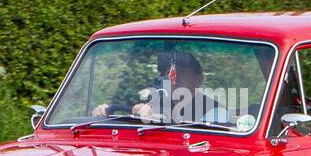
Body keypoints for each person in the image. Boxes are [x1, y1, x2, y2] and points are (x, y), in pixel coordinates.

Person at [91, 50, 227, 124]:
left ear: (198, 79)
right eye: (172, 72)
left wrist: (155, 116)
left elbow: (204, 144)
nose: (176, 77)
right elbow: (136, 118)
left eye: (183, 72)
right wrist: (104, 113)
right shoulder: (158, 102)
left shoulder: (215, 111)